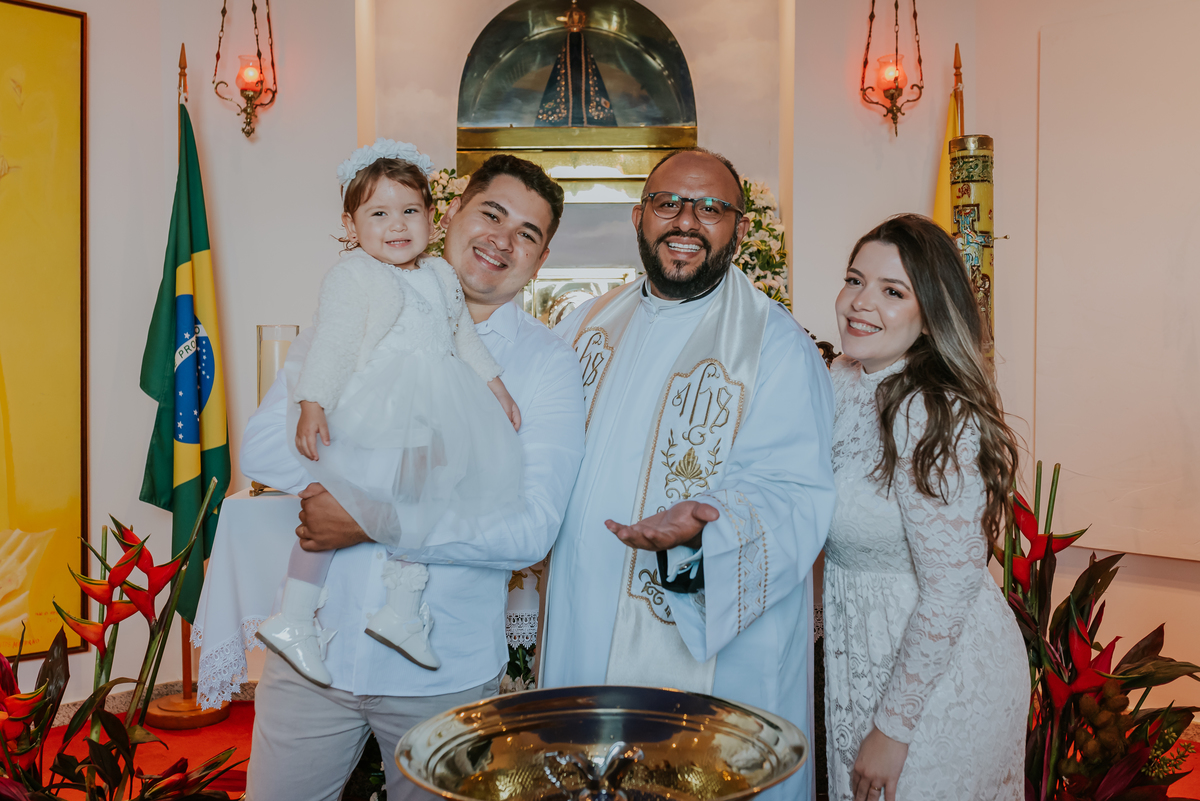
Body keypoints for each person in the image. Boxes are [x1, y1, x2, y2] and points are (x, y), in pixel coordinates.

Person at [241, 154, 585, 801]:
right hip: (317, 657)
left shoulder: (546, 367)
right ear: (451, 214)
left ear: (539, 262)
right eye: (491, 212)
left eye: (528, 233)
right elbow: (264, 444)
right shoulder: (361, 303)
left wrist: (369, 518)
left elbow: (529, 529)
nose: (502, 239)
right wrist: (414, 485)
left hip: (444, 676)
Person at [539, 148, 836, 801]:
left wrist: (703, 534)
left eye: (711, 208)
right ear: (639, 214)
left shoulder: (775, 345)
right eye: (670, 202)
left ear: (739, 227)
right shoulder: (582, 326)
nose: (687, 220)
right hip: (583, 619)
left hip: (707, 642)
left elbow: (797, 493)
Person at [256, 140, 526, 686]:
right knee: (337, 501)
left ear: (432, 216)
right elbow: (332, 345)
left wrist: (495, 386)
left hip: (431, 411)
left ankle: (402, 611)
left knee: (422, 499)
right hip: (376, 408)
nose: (396, 225)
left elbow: (462, 338)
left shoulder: (440, 277)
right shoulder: (352, 275)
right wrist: (313, 402)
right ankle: (293, 615)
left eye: (409, 211)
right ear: (351, 223)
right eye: (378, 214)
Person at [823, 214, 1027, 801]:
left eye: (893, 291)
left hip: (938, 681)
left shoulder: (933, 413)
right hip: (859, 652)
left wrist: (893, 729)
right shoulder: (840, 380)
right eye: (854, 279)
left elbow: (950, 591)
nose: (861, 303)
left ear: (930, 314)